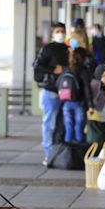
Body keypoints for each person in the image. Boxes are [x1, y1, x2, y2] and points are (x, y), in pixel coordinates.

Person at [33, 22, 69, 163]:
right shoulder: (47, 49)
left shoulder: (68, 49)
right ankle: (48, 153)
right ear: (53, 33)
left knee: (62, 124)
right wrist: (53, 70)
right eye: (58, 31)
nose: (60, 33)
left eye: (62, 31)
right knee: (50, 123)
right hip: (51, 91)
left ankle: (58, 152)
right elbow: (37, 67)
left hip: (66, 91)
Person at [60, 47, 93, 145]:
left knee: (68, 127)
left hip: (66, 102)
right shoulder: (83, 70)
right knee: (79, 127)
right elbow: (87, 88)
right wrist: (90, 105)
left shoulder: (67, 69)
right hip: (79, 103)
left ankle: (68, 152)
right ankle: (79, 150)